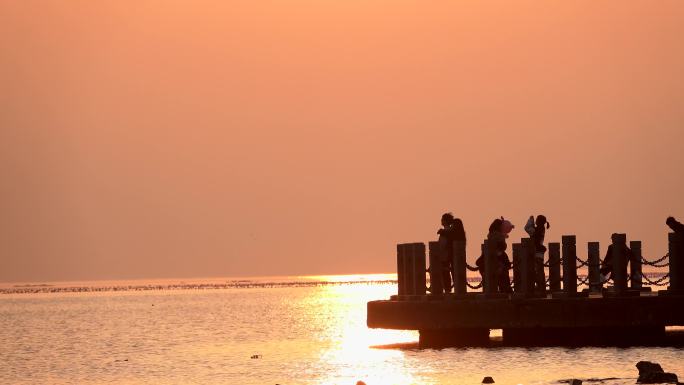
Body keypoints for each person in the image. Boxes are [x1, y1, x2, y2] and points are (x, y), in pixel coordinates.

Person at [476, 218, 513, 293]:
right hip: (499, 257)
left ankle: (495, 289)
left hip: (490, 256)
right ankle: (505, 290)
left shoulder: (490, 234)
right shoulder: (499, 235)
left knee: (495, 275)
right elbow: (503, 247)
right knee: (503, 274)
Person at [525, 215, 550, 294]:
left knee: (537, 270)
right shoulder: (541, 229)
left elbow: (527, 228)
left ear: (539, 221)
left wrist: (530, 220)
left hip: (536, 253)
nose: (535, 221)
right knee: (539, 270)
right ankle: (541, 287)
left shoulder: (538, 230)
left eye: (536, 220)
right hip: (540, 253)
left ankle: (539, 287)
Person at [437, 213, 456, 293]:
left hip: (445, 255)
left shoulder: (445, 232)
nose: (441, 220)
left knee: (445, 273)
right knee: (450, 272)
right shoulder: (451, 231)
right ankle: (452, 289)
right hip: (448, 255)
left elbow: (442, 245)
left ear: (445, 221)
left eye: (442, 219)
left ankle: (447, 289)